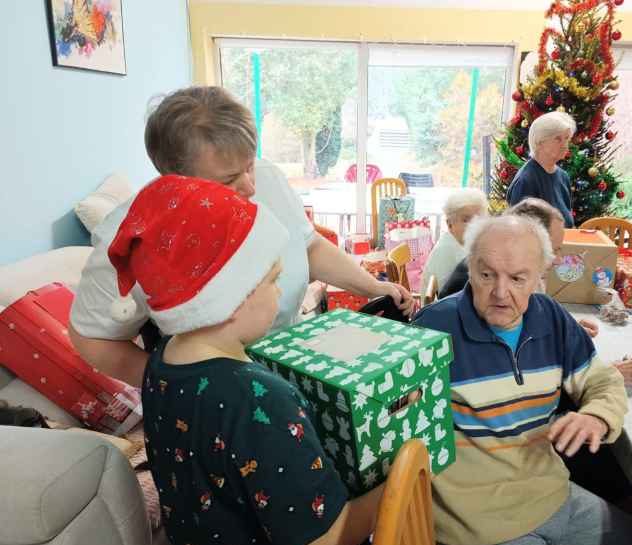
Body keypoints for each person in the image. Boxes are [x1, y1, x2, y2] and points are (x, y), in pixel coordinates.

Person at [107, 175, 383, 545]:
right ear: (230, 297)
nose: (281, 291)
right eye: (273, 280)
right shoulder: (260, 399)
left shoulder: (161, 364)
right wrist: (398, 485)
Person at [69, 86, 412, 388]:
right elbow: (93, 339)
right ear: (174, 179)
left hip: (289, 370)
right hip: (214, 398)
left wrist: (373, 287)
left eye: (249, 165)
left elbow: (309, 246)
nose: (249, 186)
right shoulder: (130, 236)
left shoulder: (265, 177)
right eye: (229, 180)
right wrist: (179, 388)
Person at [413, 215, 632, 545]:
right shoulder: (431, 330)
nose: (500, 293)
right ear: (470, 267)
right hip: (475, 519)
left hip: (549, 491)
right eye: (486, 275)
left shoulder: (551, 317)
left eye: (517, 278)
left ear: (540, 276)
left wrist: (596, 415)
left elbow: (602, 381)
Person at [441, 198, 632, 388]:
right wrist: (610, 375)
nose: (558, 259)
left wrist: (560, 329)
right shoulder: (481, 286)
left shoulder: (522, 275)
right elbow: (507, 378)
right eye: (554, 249)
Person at [506, 111, 577, 227]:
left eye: (567, 139)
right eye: (558, 139)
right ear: (539, 142)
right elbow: (520, 231)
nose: (565, 145)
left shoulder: (563, 177)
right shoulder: (526, 181)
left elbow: (568, 223)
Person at [421, 188, 487, 294]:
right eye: (466, 220)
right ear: (450, 224)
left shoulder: (465, 244)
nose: (474, 224)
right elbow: (448, 294)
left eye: (479, 219)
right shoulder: (446, 250)